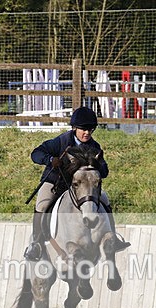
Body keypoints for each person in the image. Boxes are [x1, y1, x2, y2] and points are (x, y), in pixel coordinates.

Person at [24, 106, 131, 261]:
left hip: (82, 188)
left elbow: (105, 171)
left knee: (105, 199)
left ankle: (113, 239)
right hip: (57, 183)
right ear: (74, 128)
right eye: (83, 129)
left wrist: (98, 164)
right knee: (42, 203)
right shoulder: (60, 141)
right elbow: (36, 153)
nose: (87, 133)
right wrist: (50, 160)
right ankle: (36, 243)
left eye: (90, 130)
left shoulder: (94, 147)